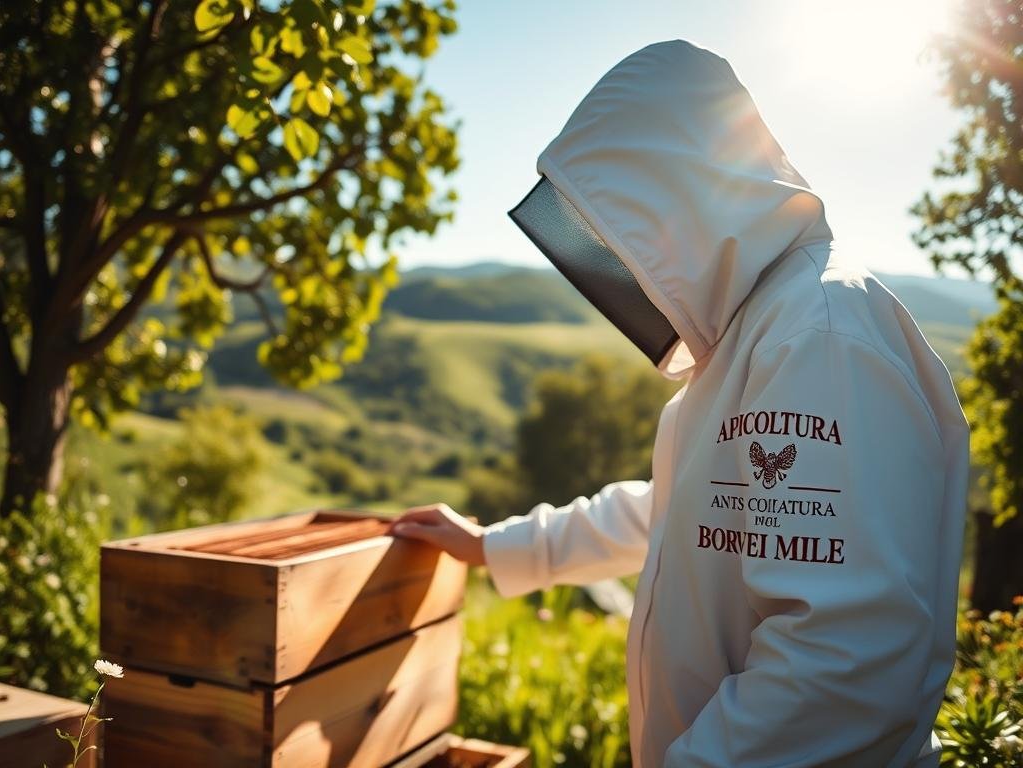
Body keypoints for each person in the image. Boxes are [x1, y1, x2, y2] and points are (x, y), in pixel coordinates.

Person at [388, 39, 969, 768]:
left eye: (626, 225)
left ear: (690, 197)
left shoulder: (820, 332)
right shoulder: (759, 332)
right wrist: (493, 545)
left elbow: (843, 662)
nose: (619, 260)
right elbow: (677, 515)